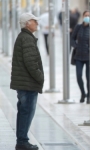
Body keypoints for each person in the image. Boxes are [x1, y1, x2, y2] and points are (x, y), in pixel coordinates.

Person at [10, 13, 44, 150]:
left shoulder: (24, 37)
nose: (37, 23)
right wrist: (40, 77)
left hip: (24, 82)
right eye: (34, 21)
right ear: (27, 23)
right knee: (26, 112)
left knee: (23, 111)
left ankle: (21, 140)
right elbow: (30, 63)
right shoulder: (27, 39)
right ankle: (22, 142)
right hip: (28, 83)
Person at [71, 10, 90, 104]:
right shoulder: (78, 27)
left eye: (89, 15)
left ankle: (89, 95)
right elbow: (72, 38)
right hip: (78, 56)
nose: (87, 17)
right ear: (83, 16)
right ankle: (83, 93)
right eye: (86, 15)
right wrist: (75, 45)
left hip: (89, 57)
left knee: (89, 77)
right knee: (79, 76)